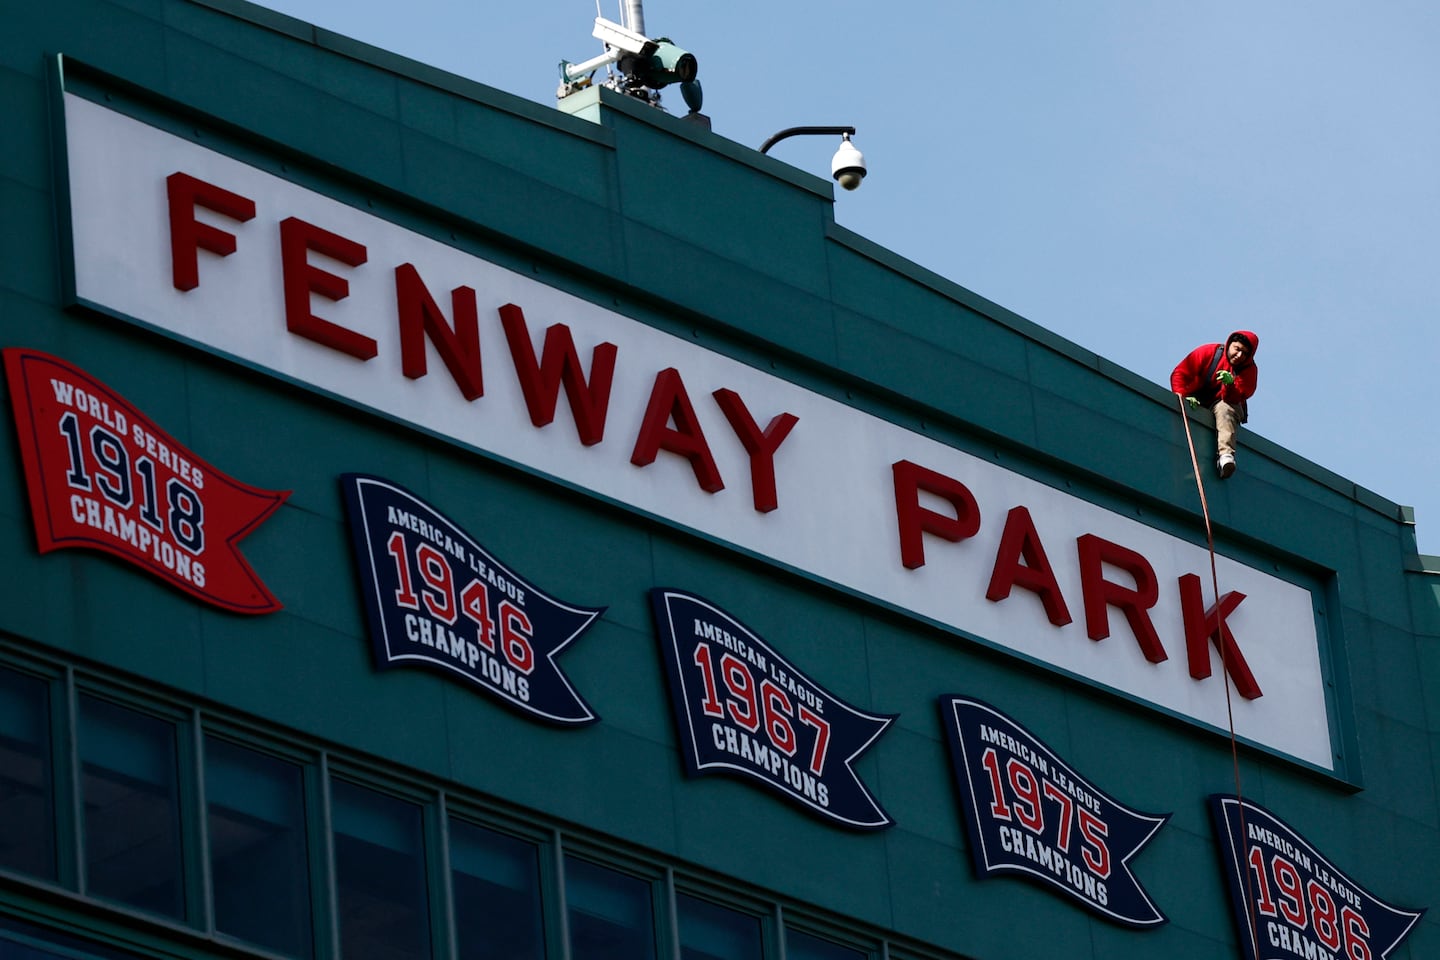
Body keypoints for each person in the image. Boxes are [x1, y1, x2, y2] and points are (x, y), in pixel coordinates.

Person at [1171, 331, 1259, 479]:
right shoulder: (1209, 352)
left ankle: (1225, 456)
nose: (1239, 356)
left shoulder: (1248, 371)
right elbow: (1181, 373)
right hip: (1196, 400)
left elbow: (1236, 397)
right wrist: (1182, 396)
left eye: (1244, 353)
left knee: (1226, 409)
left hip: (1224, 402)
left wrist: (1230, 384)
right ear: (1229, 344)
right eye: (1237, 349)